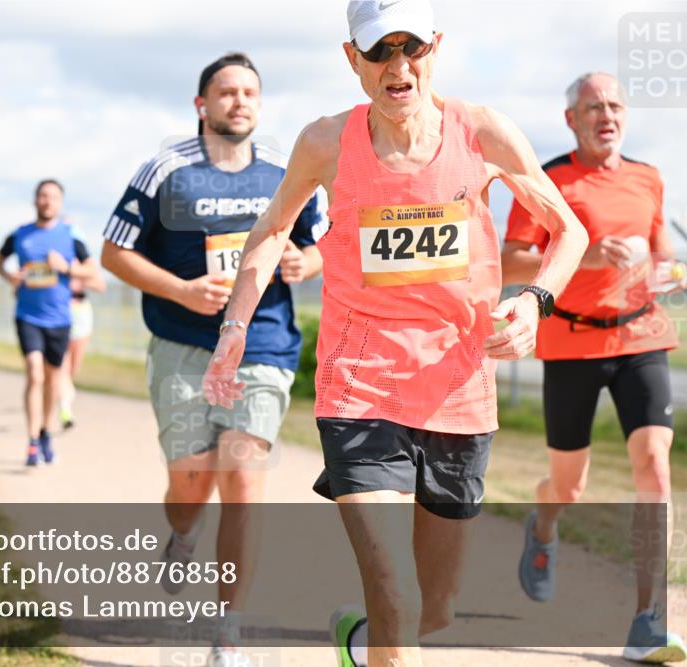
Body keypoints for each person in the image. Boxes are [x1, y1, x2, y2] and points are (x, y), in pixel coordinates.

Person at [200, 3, 590, 665]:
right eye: (380, 51)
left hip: (458, 389)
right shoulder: (326, 141)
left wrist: (535, 301)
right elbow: (270, 231)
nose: (398, 66)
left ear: (436, 47)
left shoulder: (483, 133)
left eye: (411, 47)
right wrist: (235, 321)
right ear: (353, 59)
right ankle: (384, 623)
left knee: (430, 608)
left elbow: (569, 229)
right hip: (361, 386)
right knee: (398, 591)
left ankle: (363, 632)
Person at [101, 52, 323, 667]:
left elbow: (321, 241)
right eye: (226, 92)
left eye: (250, 92)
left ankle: (229, 634)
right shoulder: (165, 171)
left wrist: (310, 262)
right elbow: (113, 254)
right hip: (182, 346)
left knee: (244, 480)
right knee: (191, 483)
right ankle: (184, 527)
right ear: (201, 105)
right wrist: (182, 290)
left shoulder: (287, 170)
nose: (240, 101)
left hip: (262, 345)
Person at [503, 71, 686, 664]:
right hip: (572, 343)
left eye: (615, 106)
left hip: (640, 336)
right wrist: (584, 256)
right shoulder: (550, 180)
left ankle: (648, 619)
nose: (606, 115)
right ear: (571, 120)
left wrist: (670, 272)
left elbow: (662, 255)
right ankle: (545, 526)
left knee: (654, 465)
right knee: (569, 486)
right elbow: (511, 255)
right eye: (593, 107)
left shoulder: (648, 178)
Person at [0, 180, 99, 467]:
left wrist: (66, 267)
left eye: (53, 196)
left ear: (60, 202)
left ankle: (45, 432)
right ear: (35, 200)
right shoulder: (21, 235)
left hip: (60, 318)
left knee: (53, 379)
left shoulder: (70, 236)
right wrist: (9, 276)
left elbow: (91, 270)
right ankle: (30, 441)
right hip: (28, 315)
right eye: (42, 196)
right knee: (35, 374)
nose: (47, 201)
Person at [58, 222, 106, 430]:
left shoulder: (84, 263)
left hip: (81, 314)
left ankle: (64, 396)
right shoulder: (52, 259)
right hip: (58, 314)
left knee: (72, 368)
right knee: (62, 366)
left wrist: (76, 277)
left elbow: (100, 285)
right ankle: (65, 409)